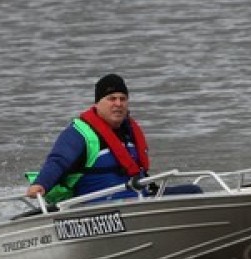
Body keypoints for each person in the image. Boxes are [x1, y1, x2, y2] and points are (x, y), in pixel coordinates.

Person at [25, 74, 196, 204]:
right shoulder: (79, 133)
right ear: (98, 103)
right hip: (97, 207)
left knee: (193, 192)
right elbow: (58, 161)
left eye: (123, 99)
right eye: (111, 99)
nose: (118, 104)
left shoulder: (129, 133)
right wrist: (42, 184)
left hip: (136, 200)